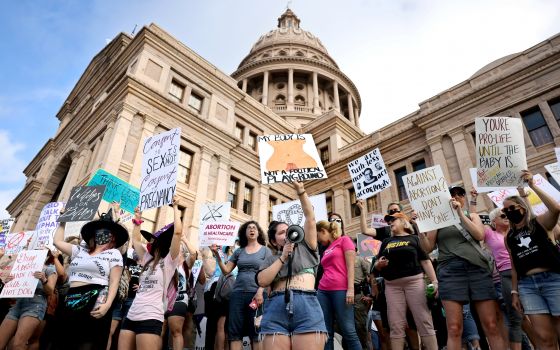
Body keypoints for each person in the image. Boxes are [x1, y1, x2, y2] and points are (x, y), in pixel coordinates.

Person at [417, 185, 506, 350]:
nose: (457, 196)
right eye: (452, 194)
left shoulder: (472, 215)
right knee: (454, 328)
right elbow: (427, 248)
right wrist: (419, 227)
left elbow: (479, 235)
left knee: (491, 324)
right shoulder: (438, 220)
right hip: (450, 272)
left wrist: (459, 214)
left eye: (460, 194)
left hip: (477, 269)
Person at [256, 180, 327, 350]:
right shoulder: (270, 258)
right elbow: (262, 281)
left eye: (289, 230)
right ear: (274, 241)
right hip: (276, 308)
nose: (287, 234)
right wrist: (283, 257)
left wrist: (301, 192)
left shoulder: (307, 246)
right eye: (281, 233)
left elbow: (310, 217)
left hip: (306, 305)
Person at [53, 208, 128, 350]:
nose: (102, 234)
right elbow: (57, 242)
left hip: (96, 297)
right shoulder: (80, 251)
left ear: (113, 237)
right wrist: (63, 220)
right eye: (99, 230)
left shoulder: (114, 254)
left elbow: (114, 281)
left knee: (87, 343)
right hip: (70, 298)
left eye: (107, 231)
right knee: (63, 341)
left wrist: (108, 304)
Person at [118, 197, 183, 350]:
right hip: (132, 314)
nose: (149, 242)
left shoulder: (169, 260)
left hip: (151, 316)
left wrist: (175, 207)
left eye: (152, 239)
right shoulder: (146, 258)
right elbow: (135, 239)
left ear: (161, 242)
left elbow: (178, 233)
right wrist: (138, 219)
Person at [505, 170, 560, 350]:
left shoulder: (540, 224)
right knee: (544, 338)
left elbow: (556, 208)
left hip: (553, 280)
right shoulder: (509, 237)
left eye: (511, 208)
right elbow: (514, 265)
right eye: (505, 211)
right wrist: (514, 292)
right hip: (527, 286)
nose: (508, 212)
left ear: (522, 207)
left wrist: (533, 185)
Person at [373, 211, 438, 349]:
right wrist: (379, 264)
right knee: (395, 324)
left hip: (414, 283)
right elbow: (377, 264)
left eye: (393, 220)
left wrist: (435, 281)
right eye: (389, 221)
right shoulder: (386, 241)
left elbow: (425, 261)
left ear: (403, 221)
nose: (390, 223)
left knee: (424, 321)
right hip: (392, 286)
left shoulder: (414, 239)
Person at [211, 220, 272, 350]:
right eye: (248, 228)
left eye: (254, 228)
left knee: (255, 331)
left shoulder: (266, 251)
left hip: (257, 295)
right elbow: (226, 270)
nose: (251, 229)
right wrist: (217, 254)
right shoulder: (239, 251)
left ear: (258, 232)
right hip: (237, 295)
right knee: (234, 333)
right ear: (244, 233)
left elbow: (268, 274)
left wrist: (261, 291)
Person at [317, 218, 362, 350]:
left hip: (341, 290)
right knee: (326, 332)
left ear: (323, 231)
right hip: (323, 291)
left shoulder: (344, 240)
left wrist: (350, 289)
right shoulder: (326, 249)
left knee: (349, 331)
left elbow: (350, 267)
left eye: (318, 236)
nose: (318, 240)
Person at [0, 247, 57, 350]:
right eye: (36, 249)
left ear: (47, 255)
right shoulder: (22, 267)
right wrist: (8, 284)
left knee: (18, 344)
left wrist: (43, 280)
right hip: (18, 304)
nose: (37, 251)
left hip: (35, 305)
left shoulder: (50, 269)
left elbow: (50, 291)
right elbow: (12, 296)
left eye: (42, 250)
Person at [165, 236, 197, 350]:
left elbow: (193, 254)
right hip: (163, 300)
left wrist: (183, 239)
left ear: (182, 251)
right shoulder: (167, 263)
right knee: (160, 332)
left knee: (176, 332)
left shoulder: (185, 265)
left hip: (179, 298)